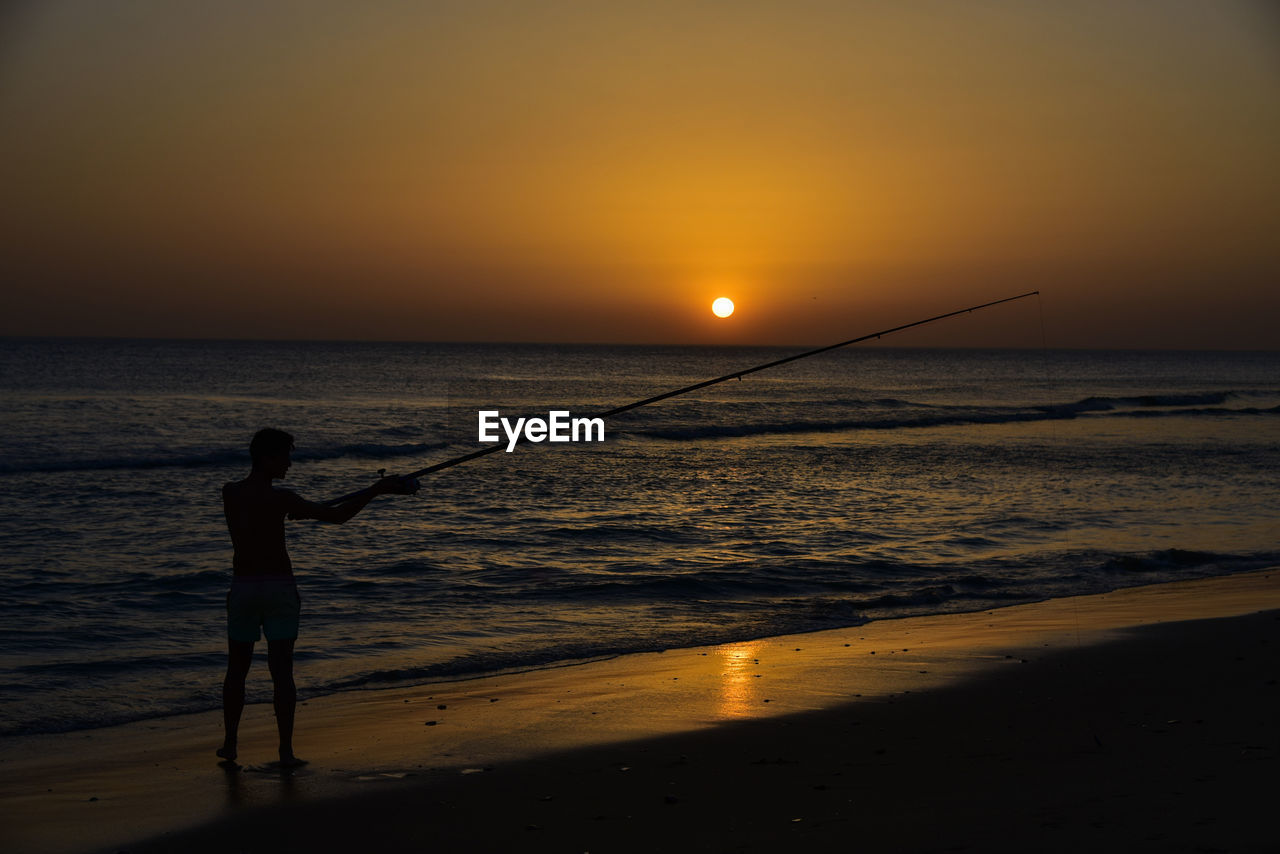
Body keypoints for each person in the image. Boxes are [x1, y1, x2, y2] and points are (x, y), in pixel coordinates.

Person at [218, 428, 417, 766]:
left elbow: (268, 509)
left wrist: (302, 507)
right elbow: (337, 516)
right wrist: (377, 490)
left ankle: (231, 744)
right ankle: (285, 752)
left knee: (237, 669)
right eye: (284, 457)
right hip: (279, 589)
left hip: (244, 589)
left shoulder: (231, 493)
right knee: (282, 673)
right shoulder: (284, 498)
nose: (289, 464)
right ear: (266, 458)